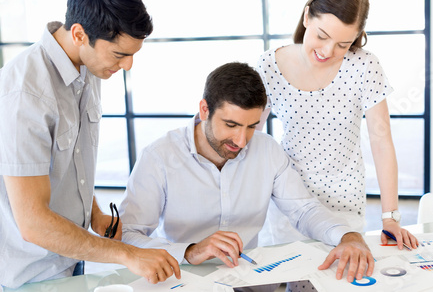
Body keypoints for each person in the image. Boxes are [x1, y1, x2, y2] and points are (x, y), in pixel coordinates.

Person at [0, 0, 180, 288]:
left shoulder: (88, 65)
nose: (127, 66)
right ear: (79, 34)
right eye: (119, 55)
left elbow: (66, 159)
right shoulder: (23, 95)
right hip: (26, 274)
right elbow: (32, 224)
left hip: (70, 257)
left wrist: (95, 213)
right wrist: (128, 254)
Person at [119, 62, 374, 292]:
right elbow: (127, 235)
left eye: (251, 126)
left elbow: (304, 210)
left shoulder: (267, 150)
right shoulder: (159, 157)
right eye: (231, 125)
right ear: (204, 109)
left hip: (251, 281)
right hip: (185, 281)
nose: (241, 141)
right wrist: (189, 251)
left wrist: (348, 236)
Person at [254, 0, 418, 259]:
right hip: (289, 201)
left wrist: (390, 217)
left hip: (344, 205)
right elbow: (250, 137)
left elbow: (381, 144)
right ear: (307, 17)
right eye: (322, 36)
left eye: (342, 44)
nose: (328, 51)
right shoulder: (269, 65)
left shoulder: (364, 66)